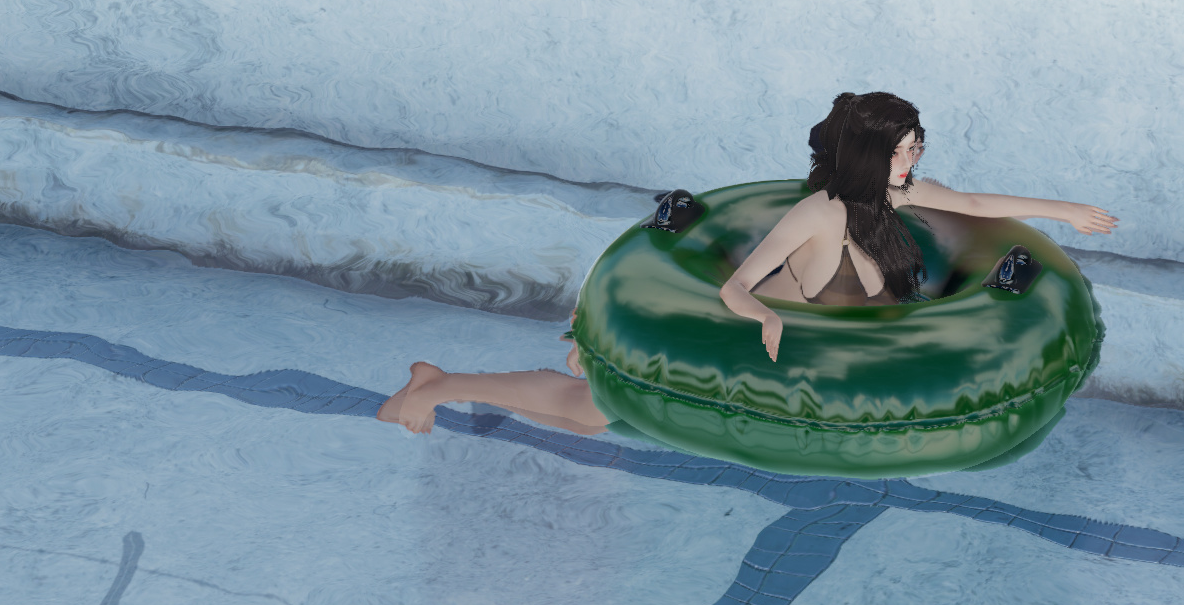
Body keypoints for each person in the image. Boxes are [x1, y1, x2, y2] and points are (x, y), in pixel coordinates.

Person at [376, 91, 1118, 436]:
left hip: (855, 340)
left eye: (916, 147)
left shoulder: (901, 197)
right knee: (597, 413)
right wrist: (762, 316)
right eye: (901, 150)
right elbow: (736, 283)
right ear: (868, 154)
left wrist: (1064, 212)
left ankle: (450, 383)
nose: (913, 161)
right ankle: (440, 386)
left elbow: (978, 205)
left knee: (600, 415)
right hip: (768, 334)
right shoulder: (819, 213)